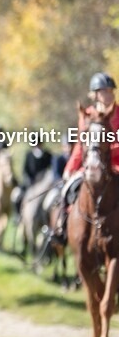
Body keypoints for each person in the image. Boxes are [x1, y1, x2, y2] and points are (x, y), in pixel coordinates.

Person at [56, 72, 119, 232]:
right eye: (105, 91)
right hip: (91, 165)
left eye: (111, 91)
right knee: (67, 189)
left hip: (115, 165)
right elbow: (80, 145)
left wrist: (107, 150)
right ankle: (61, 229)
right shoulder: (87, 115)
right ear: (96, 94)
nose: (109, 95)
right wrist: (70, 168)